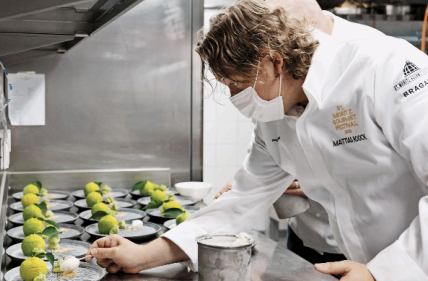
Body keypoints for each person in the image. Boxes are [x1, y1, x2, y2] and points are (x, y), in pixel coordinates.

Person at [86, 1, 428, 279]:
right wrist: (143, 256)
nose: (235, 95)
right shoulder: (275, 114)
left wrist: (383, 273)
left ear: (274, 62)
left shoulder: (383, 68)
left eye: (236, 82)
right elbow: (240, 201)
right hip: (366, 266)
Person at [215, 179, 346, 265]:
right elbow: (261, 167)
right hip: (300, 231)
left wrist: (320, 187)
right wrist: (244, 185)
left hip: (344, 243)